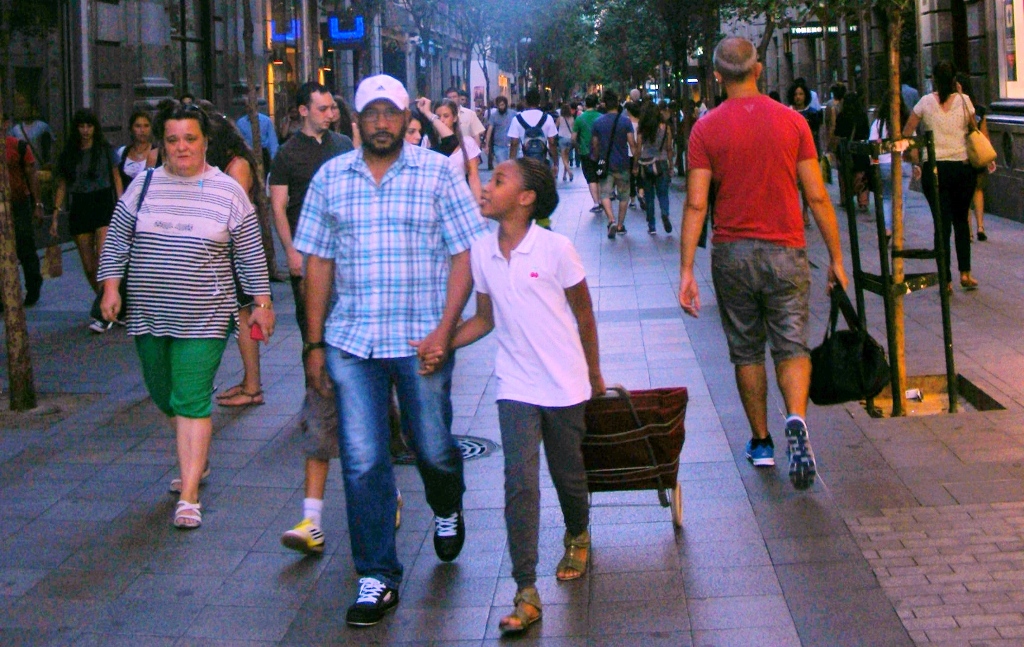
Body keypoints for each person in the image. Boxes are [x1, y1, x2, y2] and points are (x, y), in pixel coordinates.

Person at [293, 74, 486, 627]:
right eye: (371, 114)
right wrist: (313, 343)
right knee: (363, 459)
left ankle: (446, 501)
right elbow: (318, 263)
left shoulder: (437, 174)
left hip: (421, 339)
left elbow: (465, 254)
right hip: (352, 341)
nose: (381, 123)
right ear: (357, 121)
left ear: (407, 120)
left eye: (391, 114)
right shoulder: (332, 178)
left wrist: (445, 330)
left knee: (431, 445)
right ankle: (377, 574)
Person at [679, 37, 848, 490]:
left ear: (717, 76)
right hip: (786, 249)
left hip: (732, 253)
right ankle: (796, 418)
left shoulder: (705, 130)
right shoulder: (793, 122)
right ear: (758, 70)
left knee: (747, 350)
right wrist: (836, 257)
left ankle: (760, 441)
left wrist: (686, 270)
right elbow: (817, 195)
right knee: (792, 345)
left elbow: (696, 204)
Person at [443, 158, 604, 635]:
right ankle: (526, 589)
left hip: (565, 383)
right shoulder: (481, 251)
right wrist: (441, 343)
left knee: (567, 474)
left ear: (526, 198)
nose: (485, 187)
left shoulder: (556, 249)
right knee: (519, 481)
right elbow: (483, 319)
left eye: (498, 181)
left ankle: (578, 532)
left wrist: (594, 374)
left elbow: (585, 315)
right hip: (515, 384)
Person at [97, 102, 274, 529]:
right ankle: (198, 456)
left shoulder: (227, 191)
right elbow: (117, 238)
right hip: (149, 315)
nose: (181, 147)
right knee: (166, 395)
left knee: (192, 399)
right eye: (173, 140)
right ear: (162, 143)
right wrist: (111, 287)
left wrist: (262, 304)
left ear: (205, 141)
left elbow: (250, 251)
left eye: (190, 139)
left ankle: (190, 494)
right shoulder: (143, 186)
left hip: (205, 317)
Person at [267, 82, 354, 553]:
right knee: (313, 335)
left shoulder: (343, 145)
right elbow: (278, 205)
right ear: (303, 110)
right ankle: (316, 391)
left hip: (347, 262)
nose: (330, 114)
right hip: (311, 259)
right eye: (322, 108)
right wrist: (291, 250)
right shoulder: (288, 154)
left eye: (333, 107)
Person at [199, 111, 270, 409]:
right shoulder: (229, 164)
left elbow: (235, 213)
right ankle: (249, 382)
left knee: (242, 317)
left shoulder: (237, 166)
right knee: (239, 317)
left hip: (236, 253)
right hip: (228, 251)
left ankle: (253, 386)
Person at [903, 61, 980, 291]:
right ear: (954, 79)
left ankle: (945, 280)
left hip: (935, 170)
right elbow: (973, 128)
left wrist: (916, 153)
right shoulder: (964, 100)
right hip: (962, 168)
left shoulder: (925, 102)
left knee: (941, 224)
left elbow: (907, 131)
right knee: (961, 220)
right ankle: (965, 274)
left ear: (934, 79)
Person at [52, 108, 124, 332]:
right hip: (80, 205)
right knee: (89, 265)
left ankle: (103, 313)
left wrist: (122, 205)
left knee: (103, 259)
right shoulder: (69, 153)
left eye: (89, 126)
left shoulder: (104, 150)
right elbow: (62, 185)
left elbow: (116, 177)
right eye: (81, 126)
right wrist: (55, 215)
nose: (85, 131)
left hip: (102, 203)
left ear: (95, 128)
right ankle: (107, 303)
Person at [417, 97, 483, 203]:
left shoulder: (467, 143)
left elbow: (473, 177)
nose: (442, 120)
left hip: (460, 199)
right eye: (438, 117)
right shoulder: (428, 141)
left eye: (446, 116)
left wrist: (479, 203)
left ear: (455, 118)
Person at [591, 89, 636, 239]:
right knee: (624, 196)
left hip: (605, 164)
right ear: (617, 104)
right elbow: (632, 143)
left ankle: (611, 220)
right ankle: (620, 225)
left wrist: (596, 158)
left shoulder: (598, 122)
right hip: (623, 164)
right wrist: (636, 162)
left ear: (604, 104)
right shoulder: (625, 121)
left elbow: (595, 144)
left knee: (604, 194)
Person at [6, 130, 44, 306]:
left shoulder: (18, 146)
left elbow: (31, 174)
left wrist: (37, 204)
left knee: (25, 246)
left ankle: (33, 286)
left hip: (19, 203)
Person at [869, 90, 911, 238]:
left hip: (884, 165)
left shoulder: (878, 124)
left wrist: (873, 164)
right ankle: (898, 231)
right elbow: (912, 144)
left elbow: (872, 146)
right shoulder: (906, 122)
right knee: (901, 198)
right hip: (904, 163)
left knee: (886, 197)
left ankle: (887, 229)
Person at [957, 73, 994, 242]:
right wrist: (989, 157)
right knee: (978, 190)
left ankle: (969, 231)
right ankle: (980, 226)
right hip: (978, 153)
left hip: (963, 154)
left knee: (964, 193)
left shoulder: (956, 108)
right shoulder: (979, 109)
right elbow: (984, 134)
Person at [635, 101, 674, 235]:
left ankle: (652, 226)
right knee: (663, 193)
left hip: (646, 164)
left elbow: (638, 149)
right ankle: (665, 213)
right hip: (661, 162)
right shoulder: (666, 128)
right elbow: (669, 148)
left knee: (649, 195)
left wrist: (635, 166)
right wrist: (671, 165)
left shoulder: (642, 129)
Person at [833, 92, 871, 211]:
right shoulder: (862, 116)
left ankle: (846, 199)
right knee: (861, 176)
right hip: (860, 151)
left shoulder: (841, 116)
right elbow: (866, 133)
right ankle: (863, 201)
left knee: (844, 176)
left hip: (845, 150)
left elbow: (837, 133)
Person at [508, 88, 558, 174]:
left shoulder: (516, 119)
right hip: (543, 160)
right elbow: (552, 142)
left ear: (525, 102)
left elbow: (514, 143)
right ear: (539, 102)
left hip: (523, 160)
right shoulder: (548, 118)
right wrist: (555, 162)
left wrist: (511, 163)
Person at [572, 94, 604, 213]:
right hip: (600, 152)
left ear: (586, 104)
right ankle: (602, 200)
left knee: (591, 178)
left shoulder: (580, 119)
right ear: (596, 104)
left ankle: (596, 202)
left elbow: (573, 138)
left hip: (586, 152)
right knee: (600, 176)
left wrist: (578, 148)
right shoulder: (602, 117)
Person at [116, 110, 154, 190]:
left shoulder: (159, 153)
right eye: (138, 126)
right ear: (131, 129)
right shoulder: (122, 152)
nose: (142, 130)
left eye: (146, 126)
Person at [486, 96, 516, 166]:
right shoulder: (493, 116)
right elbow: (489, 130)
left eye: (502, 105)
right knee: (502, 165)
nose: (501, 107)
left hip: (511, 145)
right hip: (499, 146)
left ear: (506, 104)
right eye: (499, 105)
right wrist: (487, 145)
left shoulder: (513, 114)